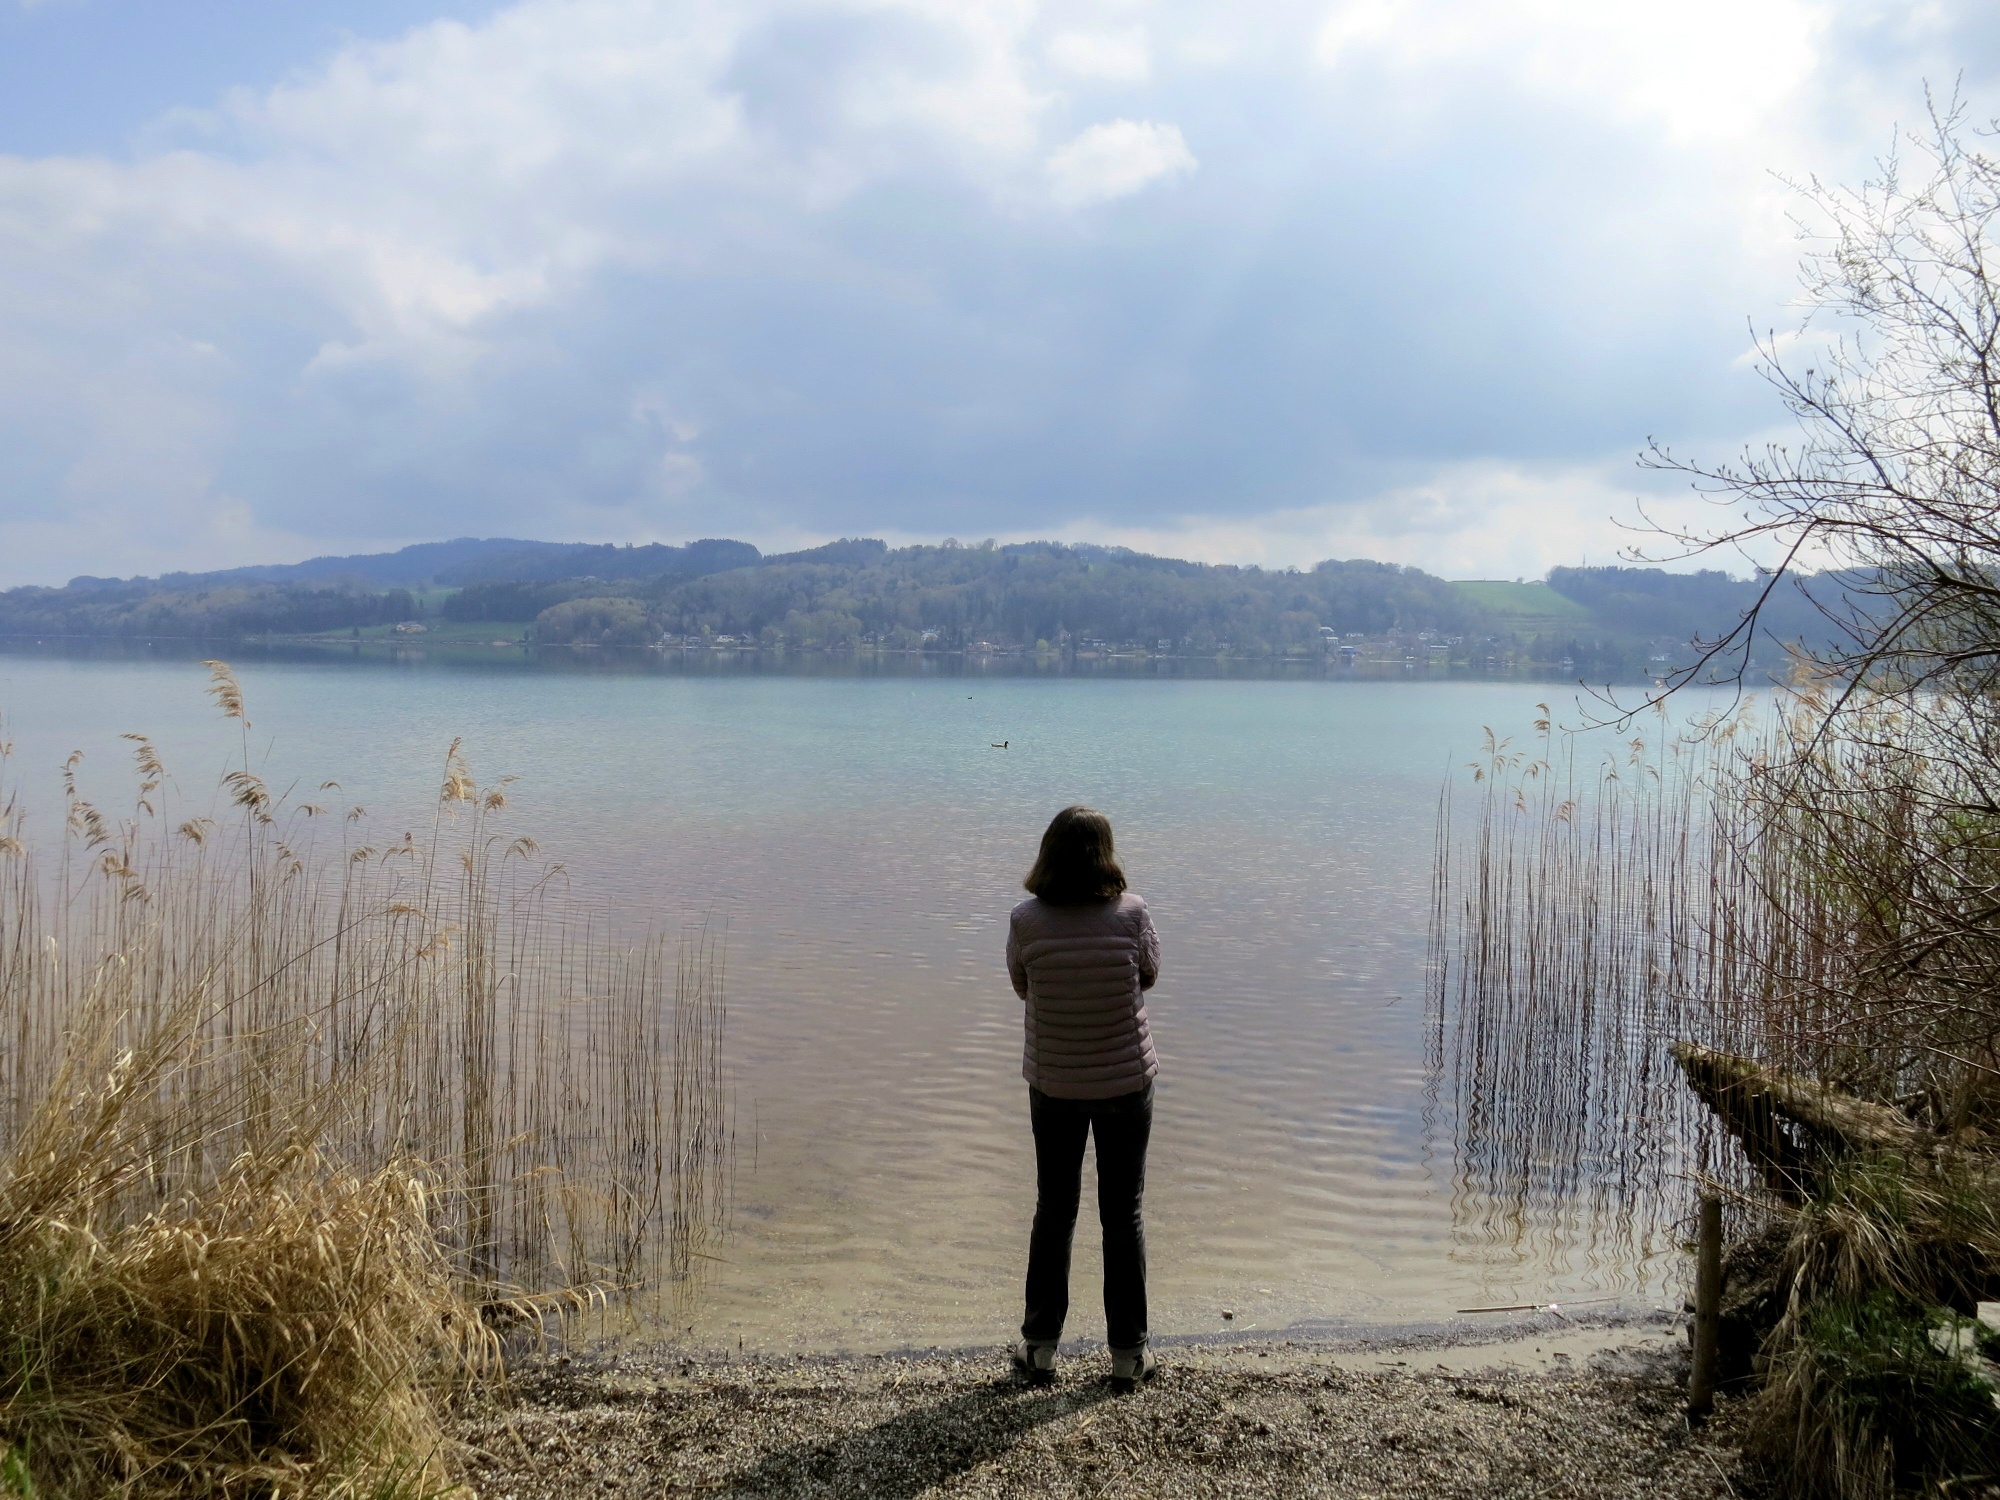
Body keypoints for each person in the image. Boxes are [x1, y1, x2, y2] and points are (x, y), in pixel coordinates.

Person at [1005, 805, 1161, 1389]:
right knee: (1123, 1214)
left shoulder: (1025, 920)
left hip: (1055, 1086)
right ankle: (1128, 1354)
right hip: (1126, 1083)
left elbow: (1023, 985)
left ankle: (1040, 1348)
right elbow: (1148, 975)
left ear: (1047, 854)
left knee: (1055, 1211)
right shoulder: (1132, 914)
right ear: (1107, 855)